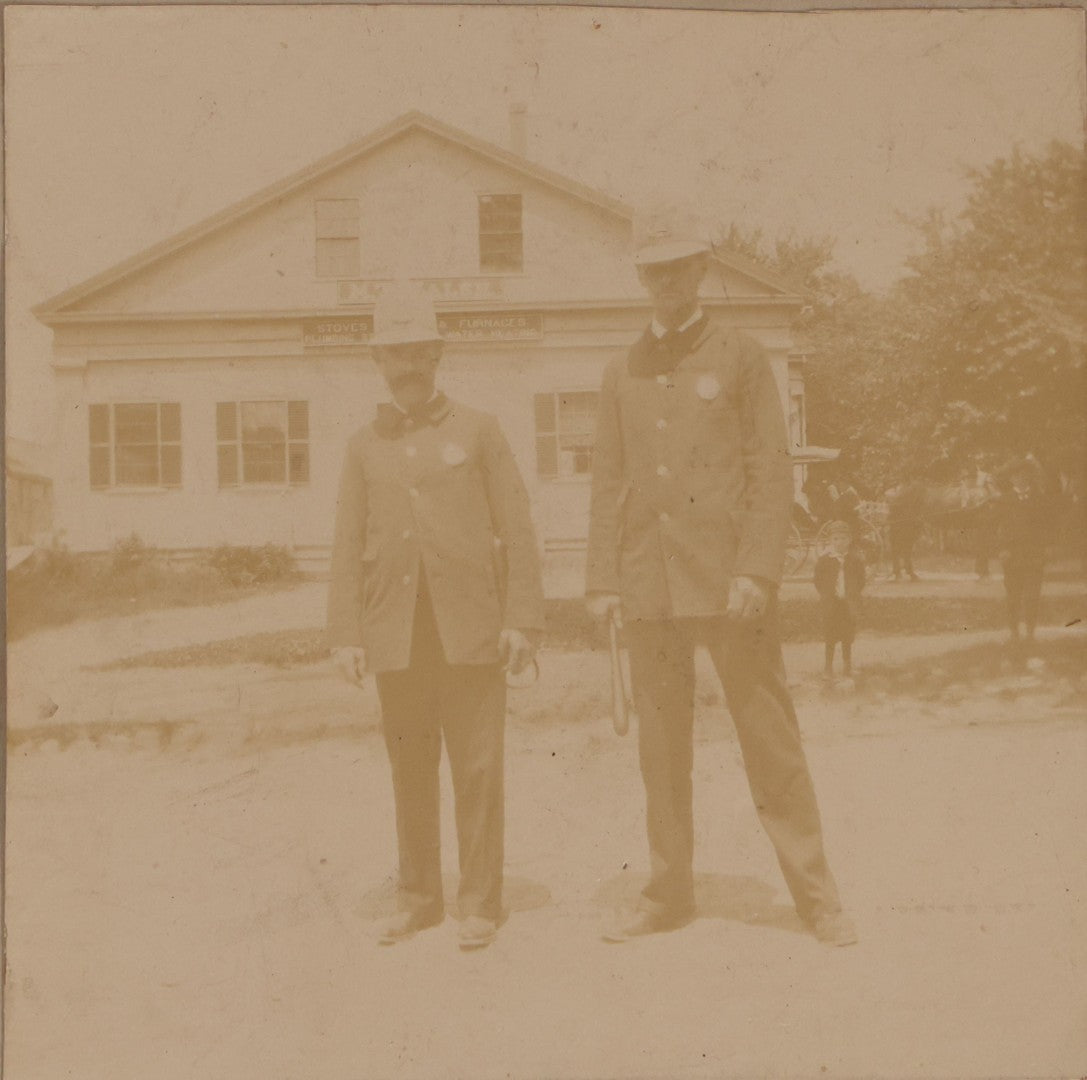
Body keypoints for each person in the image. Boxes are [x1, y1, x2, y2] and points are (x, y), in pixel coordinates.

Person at [585, 206, 857, 947]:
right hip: (649, 586)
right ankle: (667, 893)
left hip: (732, 587)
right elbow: (608, 480)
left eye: (679, 266)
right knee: (660, 752)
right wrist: (603, 578)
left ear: (702, 268)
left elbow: (771, 468)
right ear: (640, 276)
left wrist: (758, 569)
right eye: (653, 269)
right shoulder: (620, 370)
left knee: (770, 742)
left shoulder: (741, 356)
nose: (666, 281)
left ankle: (817, 898)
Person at [327, 283, 545, 950]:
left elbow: (517, 526)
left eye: (419, 351)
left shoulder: (478, 429)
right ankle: (418, 899)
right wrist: (345, 634)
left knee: (478, 769)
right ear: (377, 360)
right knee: (411, 769)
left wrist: (521, 618)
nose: (408, 364)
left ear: (438, 354)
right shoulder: (363, 446)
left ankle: (479, 904)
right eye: (395, 353)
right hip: (397, 633)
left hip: (471, 630)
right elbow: (346, 542)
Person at [995, 455, 1051, 652]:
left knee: (1033, 595)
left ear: (1029, 477)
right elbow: (997, 527)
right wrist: (1002, 549)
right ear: (1011, 479)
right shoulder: (1003, 500)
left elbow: (1048, 526)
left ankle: (1030, 633)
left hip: (1034, 555)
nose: (1021, 478)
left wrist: (1046, 547)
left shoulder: (1040, 499)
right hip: (1012, 556)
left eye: (1024, 474)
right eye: (1017, 475)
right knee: (1013, 596)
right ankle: (1014, 633)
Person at [813, 521, 866, 678]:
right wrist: (827, 594)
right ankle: (828, 667)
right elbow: (817, 580)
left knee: (847, 636)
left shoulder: (855, 560)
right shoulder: (824, 560)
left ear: (849, 540)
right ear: (830, 541)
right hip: (832, 604)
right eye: (835, 539)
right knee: (830, 636)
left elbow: (861, 580)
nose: (839, 542)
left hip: (847, 604)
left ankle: (847, 666)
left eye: (843, 538)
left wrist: (852, 593)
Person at [887, 478, 925, 581]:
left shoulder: (907, 495)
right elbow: (893, 508)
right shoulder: (896, 494)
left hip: (906, 523)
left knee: (907, 548)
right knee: (898, 548)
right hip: (897, 524)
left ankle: (907, 571)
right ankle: (898, 572)